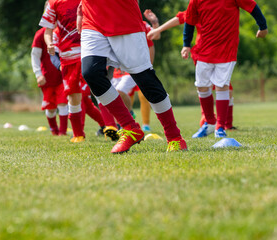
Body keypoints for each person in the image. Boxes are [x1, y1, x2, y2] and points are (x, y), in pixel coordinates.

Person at [77, 0, 187, 153]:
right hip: (92, 20)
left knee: (145, 79)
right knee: (91, 73)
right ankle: (130, 128)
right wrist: (80, 10)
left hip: (124, 19)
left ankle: (174, 137)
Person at [181, 0, 267, 138]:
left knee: (222, 86)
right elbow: (189, 21)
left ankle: (220, 127)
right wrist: (186, 44)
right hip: (203, 49)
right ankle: (209, 122)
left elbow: (252, 7)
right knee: (202, 86)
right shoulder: (195, 1)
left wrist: (262, 27)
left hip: (227, 49)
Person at [148, 11, 237, 137]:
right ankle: (209, 120)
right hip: (203, 54)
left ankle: (224, 124)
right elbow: (180, 18)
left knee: (225, 87)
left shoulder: (221, 7)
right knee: (204, 86)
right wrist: (159, 29)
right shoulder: (199, 7)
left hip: (221, 53)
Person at [39, 0, 85, 143]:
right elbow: (48, 30)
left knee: (99, 88)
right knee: (72, 95)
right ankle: (78, 135)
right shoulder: (54, 3)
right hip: (67, 57)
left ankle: (118, 125)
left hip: (88, 51)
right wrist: (49, 44)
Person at [31, 26, 68, 136]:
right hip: (47, 79)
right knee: (51, 108)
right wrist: (38, 74)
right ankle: (54, 130)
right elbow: (35, 56)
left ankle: (62, 132)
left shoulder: (62, 31)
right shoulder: (40, 34)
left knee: (63, 103)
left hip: (62, 76)